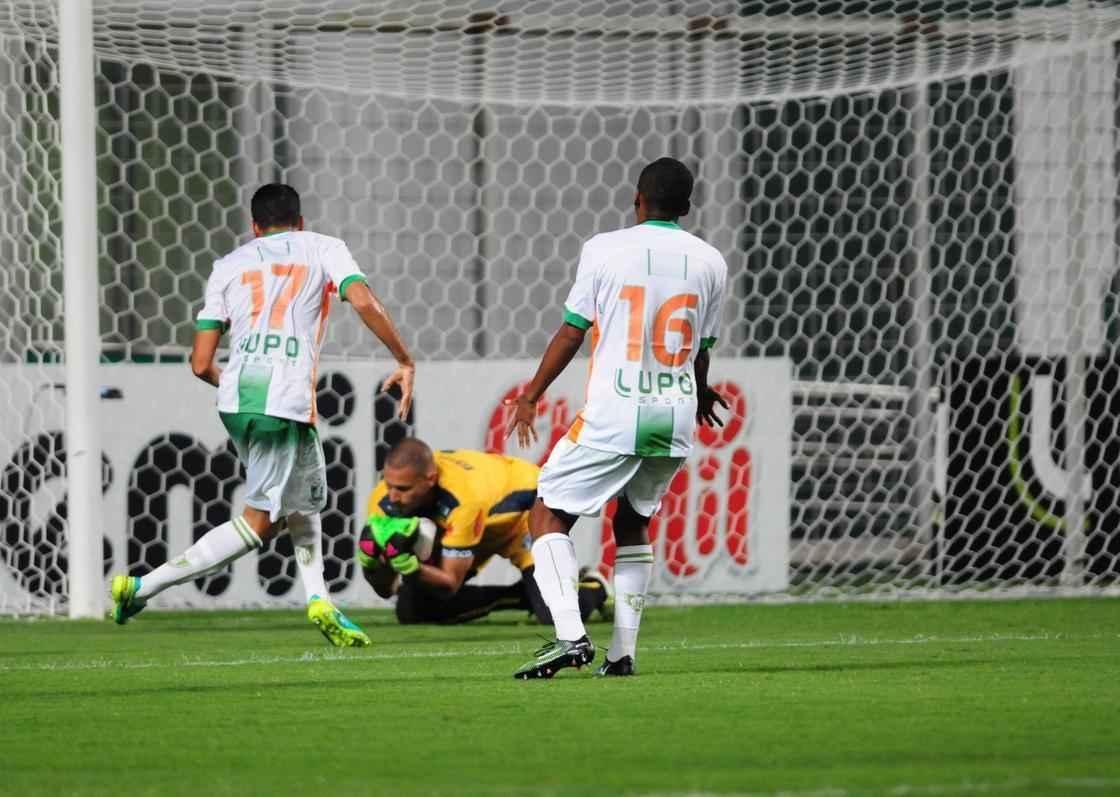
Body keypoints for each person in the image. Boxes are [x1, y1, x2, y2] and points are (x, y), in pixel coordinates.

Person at [110, 183, 416, 647]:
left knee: (301, 501)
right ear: (301, 221)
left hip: (237, 398)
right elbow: (361, 300)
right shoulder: (323, 247)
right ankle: (142, 587)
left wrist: (239, 386)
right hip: (283, 400)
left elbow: (200, 363)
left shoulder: (229, 264)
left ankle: (320, 600)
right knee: (259, 523)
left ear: (255, 227)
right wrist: (404, 359)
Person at [506, 157, 729, 678]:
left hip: (617, 411)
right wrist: (700, 392)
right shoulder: (711, 261)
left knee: (548, 513)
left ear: (637, 199)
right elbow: (701, 347)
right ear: (687, 207)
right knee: (633, 521)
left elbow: (573, 330)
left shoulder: (604, 248)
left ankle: (569, 636)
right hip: (674, 414)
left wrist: (532, 393)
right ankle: (622, 654)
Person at [358, 438, 610, 625]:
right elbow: (385, 590)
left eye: (403, 489)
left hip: (524, 513)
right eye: (389, 484)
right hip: (477, 525)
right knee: (411, 610)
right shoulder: (382, 499)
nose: (393, 496)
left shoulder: (461, 499)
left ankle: (594, 586)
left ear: (430, 479)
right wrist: (372, 567)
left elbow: (449, 583)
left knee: (554, 614)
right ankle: (522, 595)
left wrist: (411, 567)